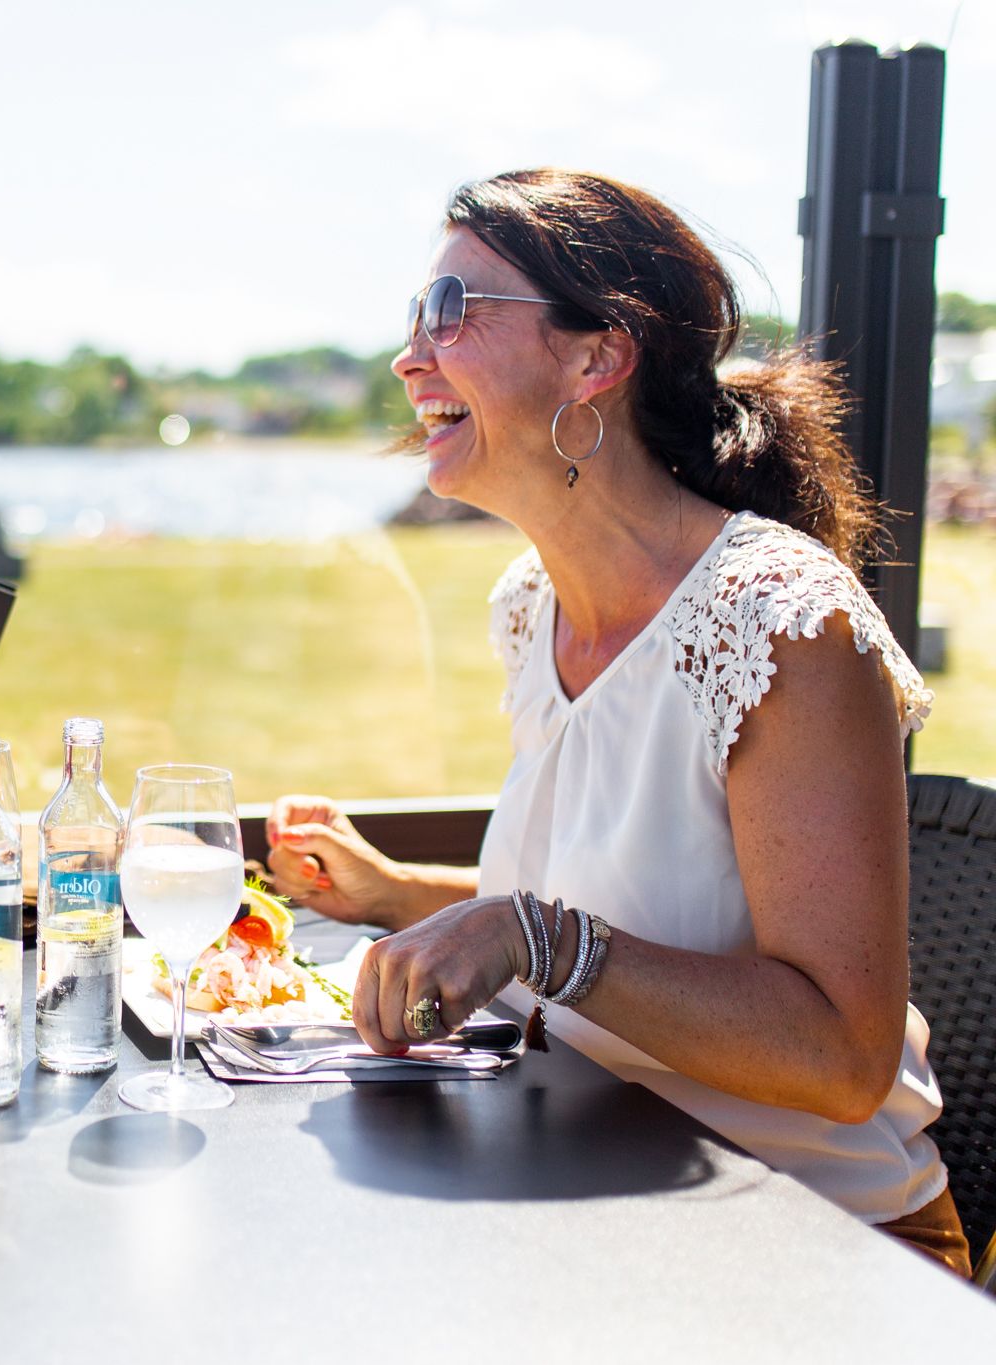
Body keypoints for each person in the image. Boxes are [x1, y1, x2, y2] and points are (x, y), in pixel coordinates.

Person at [265, 169, 969, 1274]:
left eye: (449, 313)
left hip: (819, 1250)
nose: (409, 357)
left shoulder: (781, 621)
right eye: (411, 319)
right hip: (595, 1197)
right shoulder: (528, 606)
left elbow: (839, 1053)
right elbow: (631, 906)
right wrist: (401, 895)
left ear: (595, 358)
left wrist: (528, 936)